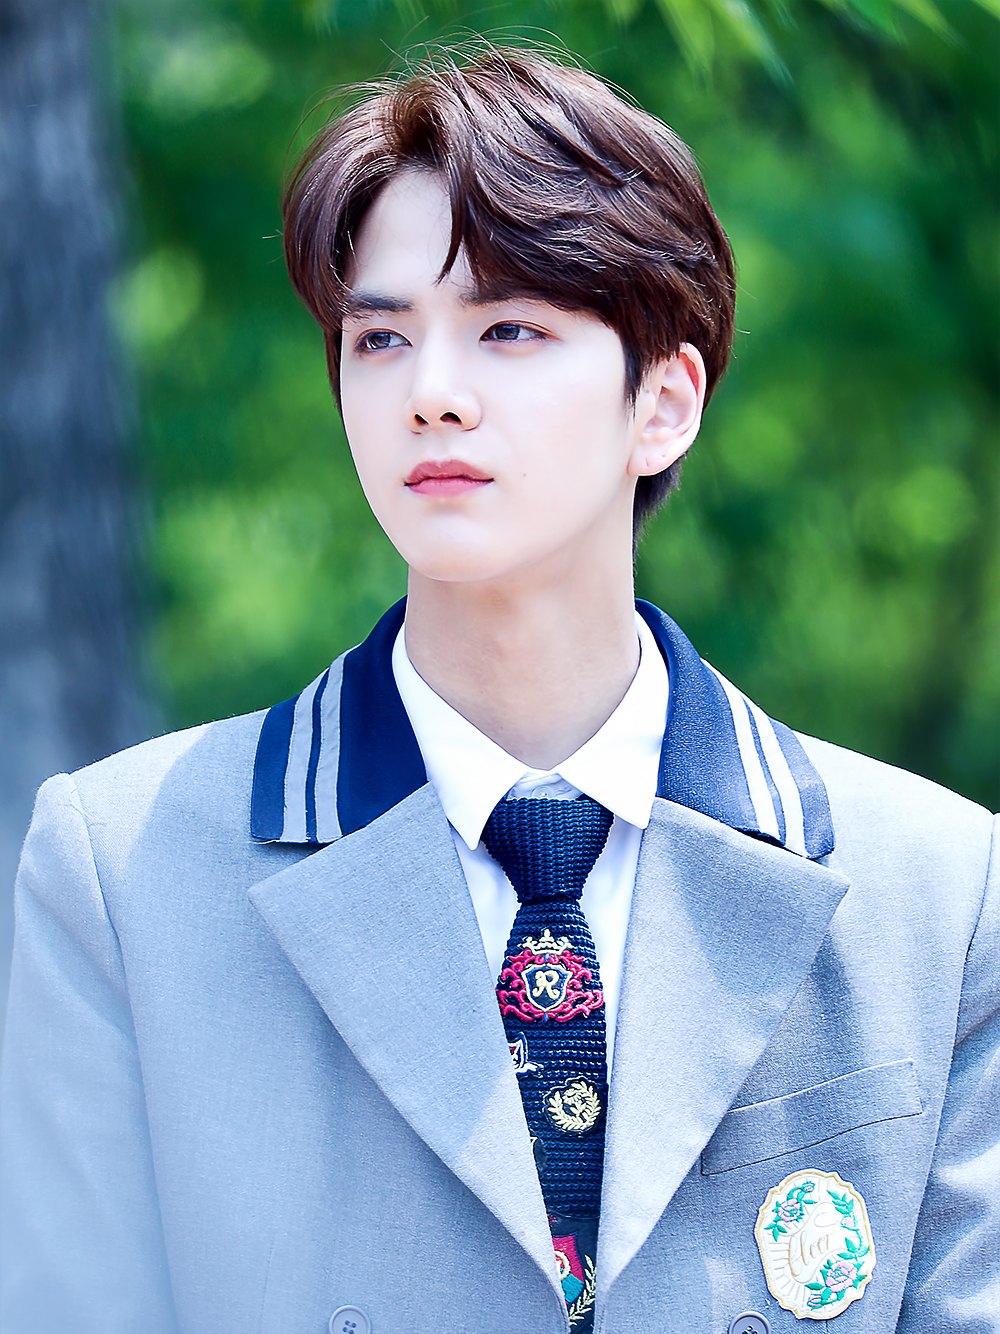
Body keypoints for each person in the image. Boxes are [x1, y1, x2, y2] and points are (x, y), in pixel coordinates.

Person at [1, 46, 996, 1334]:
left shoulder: (940, 895)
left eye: (510, 328)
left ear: (664, 402)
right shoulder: (127, 876)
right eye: (380, 338)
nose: (432, 394)